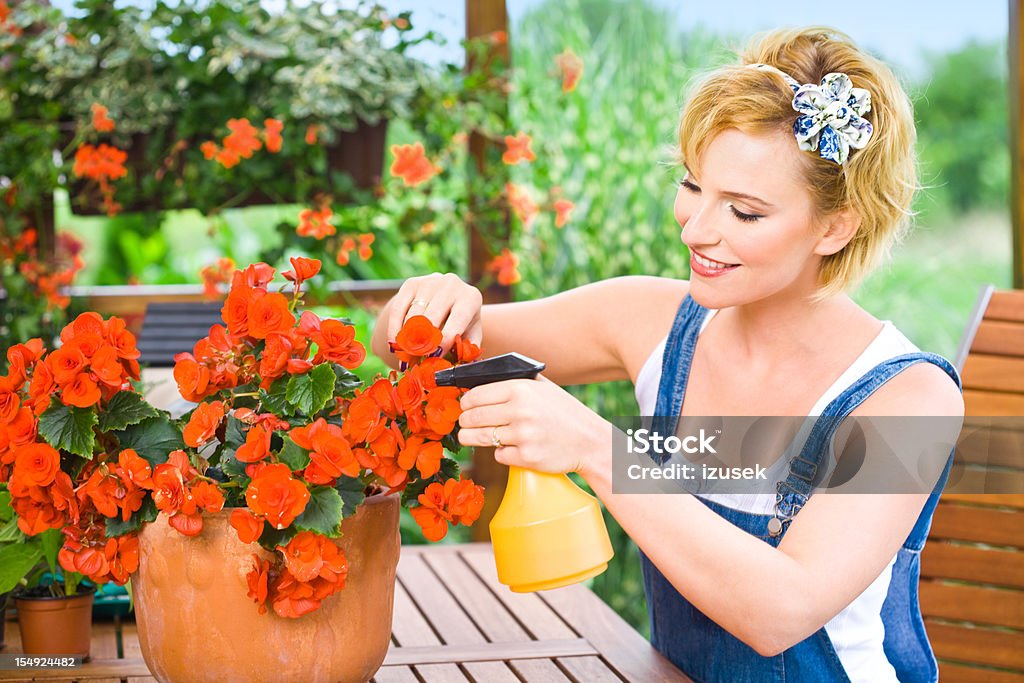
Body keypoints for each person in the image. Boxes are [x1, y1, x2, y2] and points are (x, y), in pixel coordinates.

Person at [370, 26, 964, 683]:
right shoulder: (652, 320)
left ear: (835, 226)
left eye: (743, 211)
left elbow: (780, 610)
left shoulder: (909, 397)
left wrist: (598, 448)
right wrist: (434, 302)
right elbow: (411, 348)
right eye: (692, 186)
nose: (695, 228)